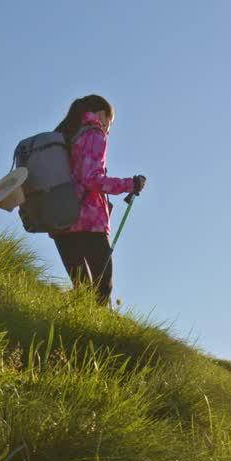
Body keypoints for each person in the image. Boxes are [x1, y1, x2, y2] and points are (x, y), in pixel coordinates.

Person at [50, 95, 145, 305]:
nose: (108, 130)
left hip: (59, 219)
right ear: (102, 114)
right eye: (109, 123)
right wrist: (130, 184)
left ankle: (72, 329)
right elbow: (91, 179)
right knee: (103, 289)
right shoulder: (94, 133)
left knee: (82, 288)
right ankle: (96, 334)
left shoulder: (63, 133)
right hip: (88, 220)